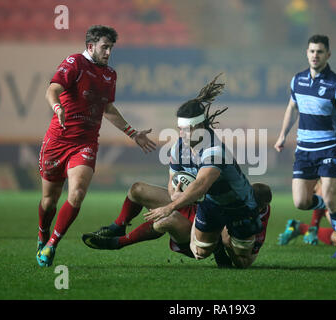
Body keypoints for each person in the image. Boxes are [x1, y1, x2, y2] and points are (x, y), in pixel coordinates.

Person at [36, 25, 157, 267]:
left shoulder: (110, 74)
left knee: (78, 192)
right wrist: (58, 108)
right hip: (58, 141)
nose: (109, 52)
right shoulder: (75, 63)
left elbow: (108, 109)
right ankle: (42, 234)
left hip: (85, 142)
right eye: (105, 47)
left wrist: (133, 133)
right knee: (49, 200)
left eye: (111, 47)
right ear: (91, 46)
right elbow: (53, 89)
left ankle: (51, 245)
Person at [131, 74, 263, 263]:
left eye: (186, 129)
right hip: (211, 204)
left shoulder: (215, 150)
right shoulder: (178, 146)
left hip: (238, 206)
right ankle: (218, 240)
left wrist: (170, 207)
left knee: (242, 260)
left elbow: (201, 184)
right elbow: (173, 179)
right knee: (200, 253)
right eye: (179, 128)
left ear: (200, 126)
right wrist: (174, 194)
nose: (182, 133)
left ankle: (252, 223)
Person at [274, 35, 336, 258]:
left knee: (330, 196)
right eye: (311, 51)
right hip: (304, 150)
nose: (315, 55)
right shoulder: (297, 80)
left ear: (328, 54)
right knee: (301, 202)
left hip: (329, 148)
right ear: (307, 53)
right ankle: (330, 205)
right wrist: (282, 136)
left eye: (319, 51)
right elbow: (292, 108)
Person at [81, 182, 272, 269]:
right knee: (137, 190)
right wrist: (178, 193)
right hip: (196, 207)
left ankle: (117, 242)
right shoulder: (193, 152)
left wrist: (227, 246)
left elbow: (247, 261)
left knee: (169, 219)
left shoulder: (256, 219)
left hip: (200, 233)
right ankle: (118, 226)